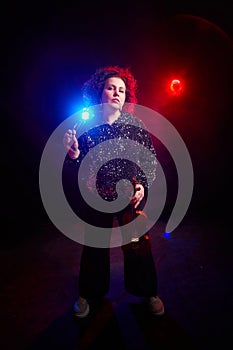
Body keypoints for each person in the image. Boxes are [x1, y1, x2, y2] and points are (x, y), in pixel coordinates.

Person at [62, 65, 164, 318]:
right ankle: (89, 294)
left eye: (121, 89)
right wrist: (73, 155)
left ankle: (148, 293)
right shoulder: (85, 127)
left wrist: (141, 185)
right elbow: (77, 168)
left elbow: (148, 160)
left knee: (138, 247)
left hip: (129, 197)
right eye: (111, 88)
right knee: (94, 248)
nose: (117, 93)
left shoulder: (134, 124)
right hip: (96, 198)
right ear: (99, 92)